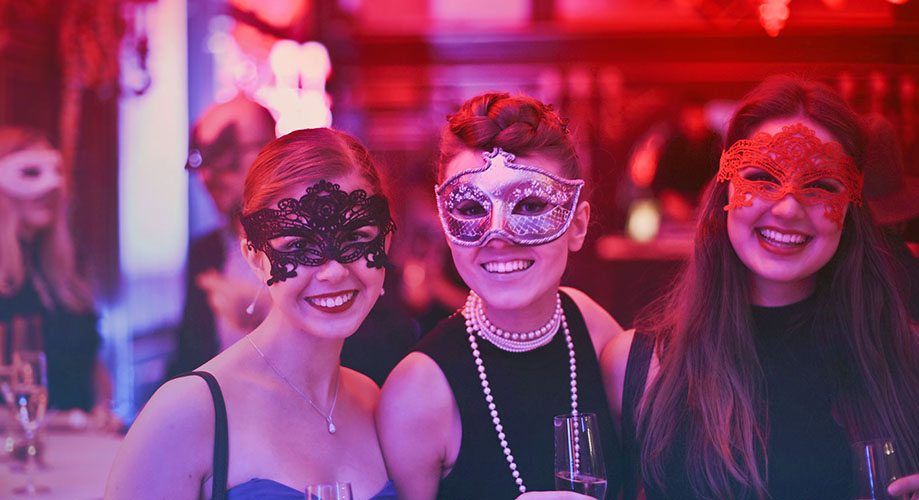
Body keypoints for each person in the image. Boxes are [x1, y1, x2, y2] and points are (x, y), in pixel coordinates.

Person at [604, 76, 919, 500]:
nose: (787, 208)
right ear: (725, 188)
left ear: (851, 207)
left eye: (820, 185)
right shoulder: (636, 367)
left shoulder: (906, 360)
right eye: (763, 178)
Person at [105, 128, 398, 499]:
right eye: (300, 245)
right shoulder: (187, 412)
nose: (334, 271)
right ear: (255, 258)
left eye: (355, 238)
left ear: (385, 241)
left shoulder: (373, 402)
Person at [377, 92, 625, 499]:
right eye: (472, 209)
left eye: (530, 205)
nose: (498, 237)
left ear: (578, 226)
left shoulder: (595, 331)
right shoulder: (417, 392)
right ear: (446, 228)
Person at [0, 126, 119, 430]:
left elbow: (91, 363)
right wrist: (61, 423)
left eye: (56, 172)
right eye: (30, 173)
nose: (49, 188)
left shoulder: (65, 273)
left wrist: (101, 410)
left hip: (82, 446)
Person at [167, 95, 277, 377]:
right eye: (201, 159)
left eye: (226, 157)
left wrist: (270, 313)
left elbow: (370, 347)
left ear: (268, 153)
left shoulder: (313, 246)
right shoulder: (205, 252)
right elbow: (187, 360)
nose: (207, 175)